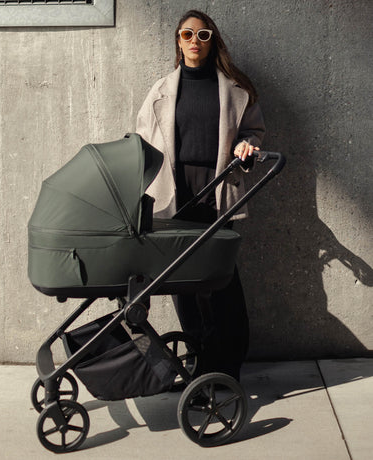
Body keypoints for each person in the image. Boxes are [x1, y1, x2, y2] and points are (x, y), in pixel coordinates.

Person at [136, 9, 265, 381]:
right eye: (187, 34)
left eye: (203, 35)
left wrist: (246, 147)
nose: (195, 41)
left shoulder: (236, 90)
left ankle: (228, 362)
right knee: (183, 283)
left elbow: (254, 132)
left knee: (220, 278)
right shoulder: (160, 91)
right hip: (174, 191)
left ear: (213, 41)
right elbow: (142, 141)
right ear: (178, 41)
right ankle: (198, 356)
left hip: (217, 187)